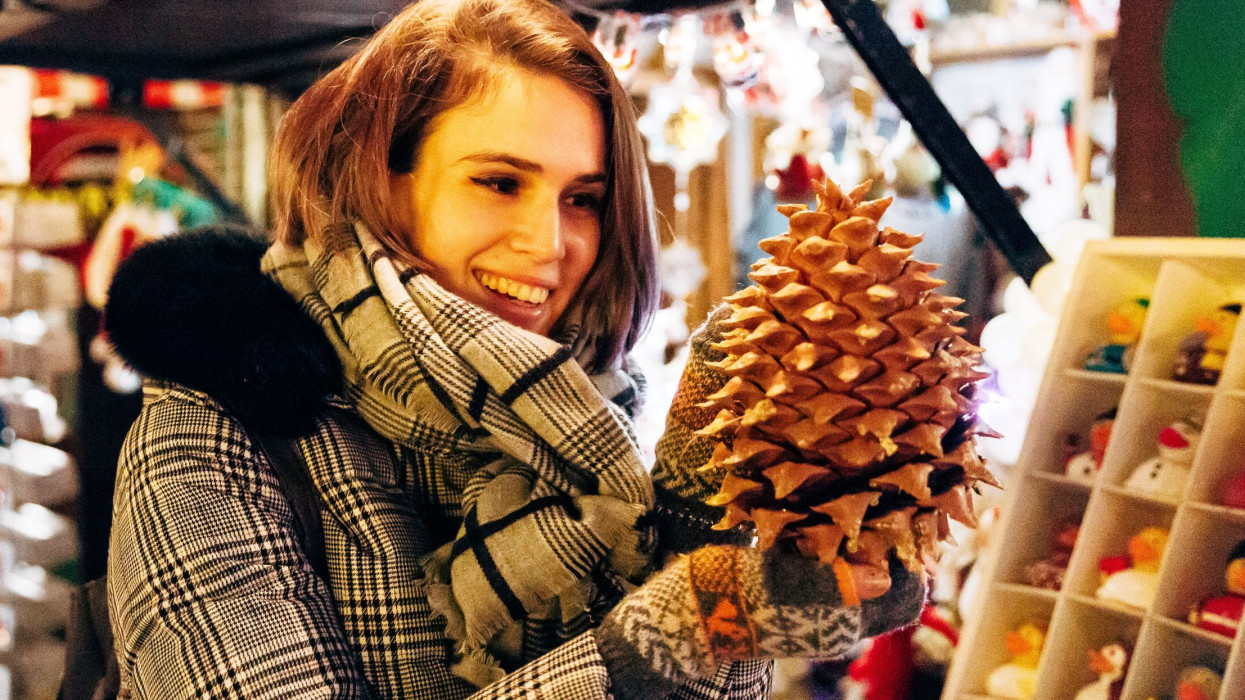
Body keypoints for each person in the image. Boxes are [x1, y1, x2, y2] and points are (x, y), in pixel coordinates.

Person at [103, 0, 926, 697]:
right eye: (499, 182)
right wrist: (685, 631)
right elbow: (667, 642)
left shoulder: (594, 420)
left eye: (583, 199)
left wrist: (700, 524)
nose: (548, 242)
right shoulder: (216, 438)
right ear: (382, 177)